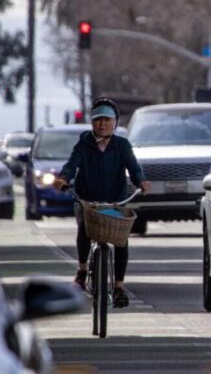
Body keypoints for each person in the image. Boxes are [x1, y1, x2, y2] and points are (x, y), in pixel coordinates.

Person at [52, 97, 151, 308]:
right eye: (98, 120)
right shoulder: (84, 144)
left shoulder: (122, 145)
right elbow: (71, 165)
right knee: (84, 228)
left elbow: (134, 168)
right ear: (92, 122)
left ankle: (118, 287)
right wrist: (63, 179)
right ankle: (81, 269)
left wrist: (141, 181)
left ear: (115, 122)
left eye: (107, 119)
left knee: (121, 239)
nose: (102, 124)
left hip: (115, 202)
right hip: (87, 200)